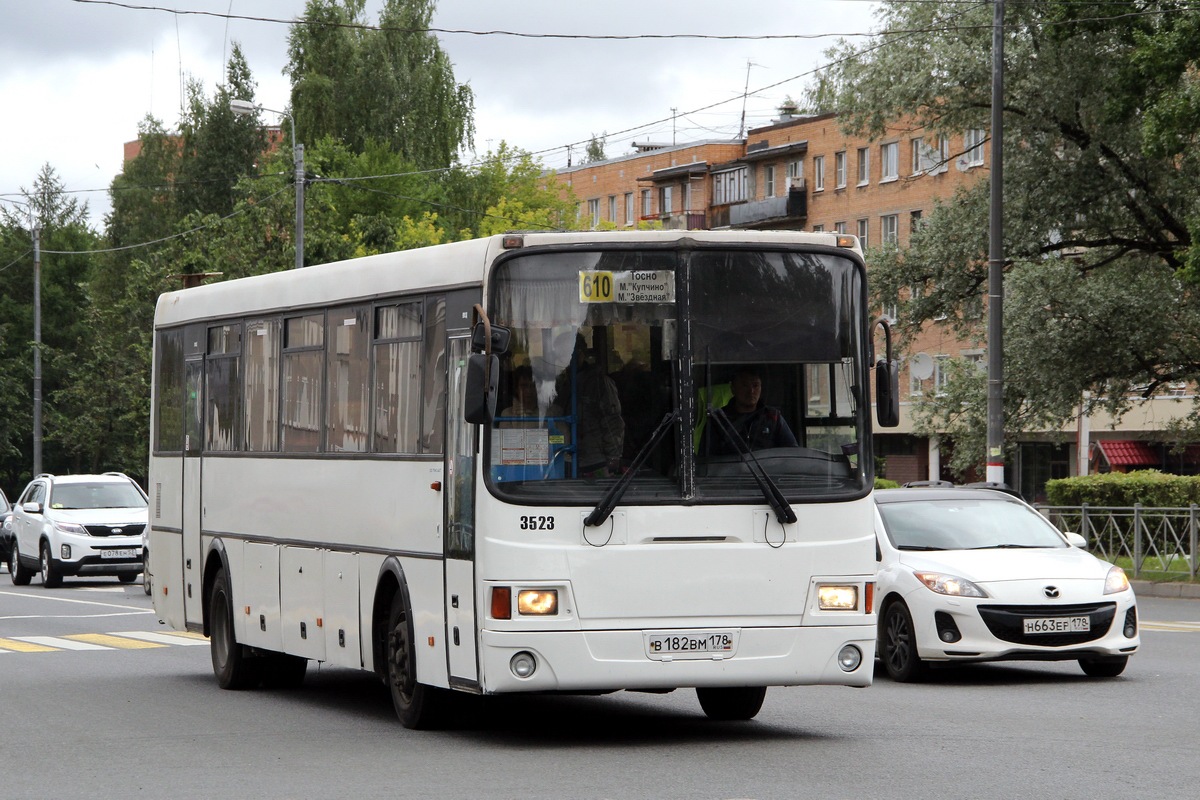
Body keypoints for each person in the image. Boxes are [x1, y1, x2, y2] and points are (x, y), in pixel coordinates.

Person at [550, 332, 624, 476]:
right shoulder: (562, 384)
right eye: (563, 354)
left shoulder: (599, 382)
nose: (568, 358)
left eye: (573, 352)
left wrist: (613, 458)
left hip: (594, 461)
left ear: (582, 353)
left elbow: (613, 422)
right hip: (565, 457)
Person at [702, 366, 797, 456]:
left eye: (755, 386)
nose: (751, 391)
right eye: (745, 385)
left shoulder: (773, 417)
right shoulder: (718, 420)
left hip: (767, 472)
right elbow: (706, 462)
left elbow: (793, 454)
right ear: (733, 388)